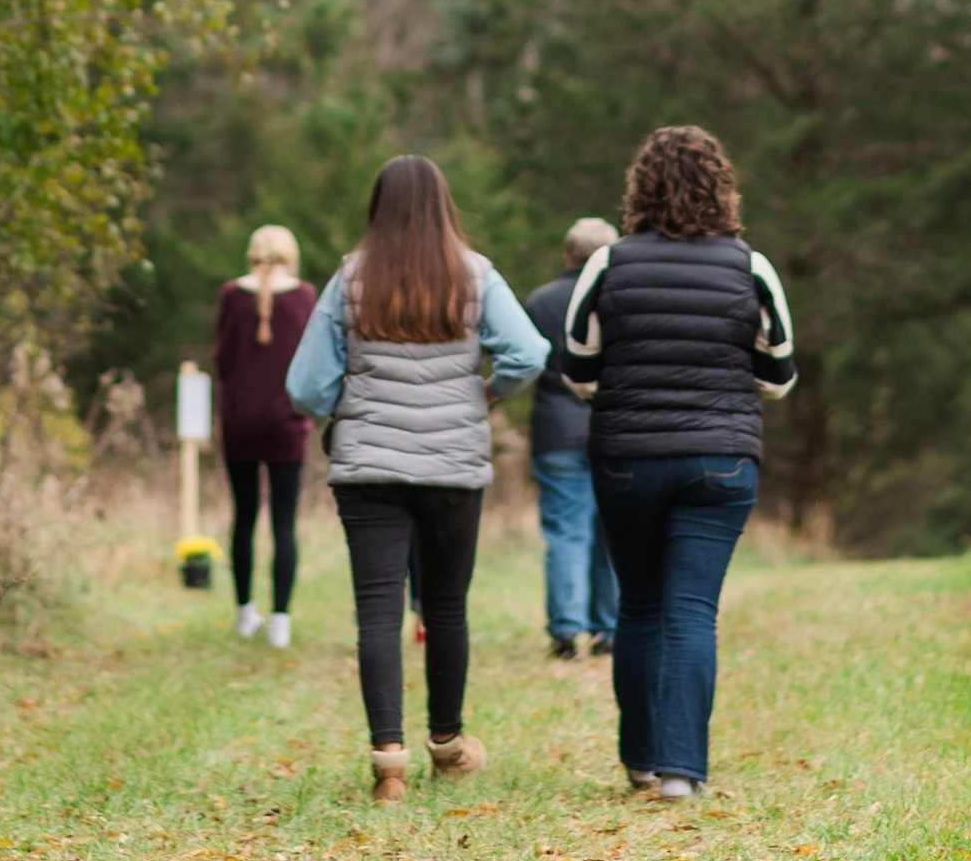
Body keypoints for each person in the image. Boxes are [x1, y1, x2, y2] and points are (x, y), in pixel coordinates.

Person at [287, 155, 547, 803]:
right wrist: (487, 391)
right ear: (443, 206)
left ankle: (388, 760)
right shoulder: (474, 273)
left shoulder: (351, 277)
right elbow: (530, 351)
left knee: (376, 609)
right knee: (446, 606)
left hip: (367, 465)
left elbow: (304, 384)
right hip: (452, 466)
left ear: (378, 207)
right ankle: (448, 744)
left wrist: (346, 402)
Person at [562, 123, 795, 805]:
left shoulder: (609, 263)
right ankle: (680, 771)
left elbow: (578, 368)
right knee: (692, 608)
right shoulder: (750, 265)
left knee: (637, 603)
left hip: (628, 457)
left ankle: (638, 759)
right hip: (720, 460)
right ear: (721, 186)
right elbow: (780, 374)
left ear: (640, 188)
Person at [523, 215, 621, 662]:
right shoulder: (620, 297)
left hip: (556, 427)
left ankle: (565, 632)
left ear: (567, 254)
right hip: (614, 426)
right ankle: (609, 628)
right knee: (613, 530)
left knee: (566, 530)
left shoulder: (540, 301)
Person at [215, 223, 317, 645]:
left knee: (243, 516)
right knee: (283, 521)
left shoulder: (230, 295)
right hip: (286, 423)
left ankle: (244, 613)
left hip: (239, 421)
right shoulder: (304, 296)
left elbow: (222, 360)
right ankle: (280, 622)